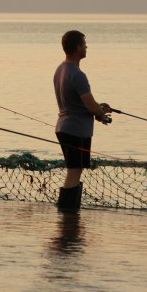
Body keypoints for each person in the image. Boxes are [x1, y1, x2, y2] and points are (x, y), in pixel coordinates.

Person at [52, 30, 111, 211]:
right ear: (77, 48)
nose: (86, 47)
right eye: (84, 44)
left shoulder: (61, 69)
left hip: (64, 126)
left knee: (73, 170)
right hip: (76, 130)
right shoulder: (78, 75)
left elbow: (79, 103)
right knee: (74, 171)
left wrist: (99, 108)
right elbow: (91, 107)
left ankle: (68, 218)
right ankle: (68, 214)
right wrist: (100, 113)